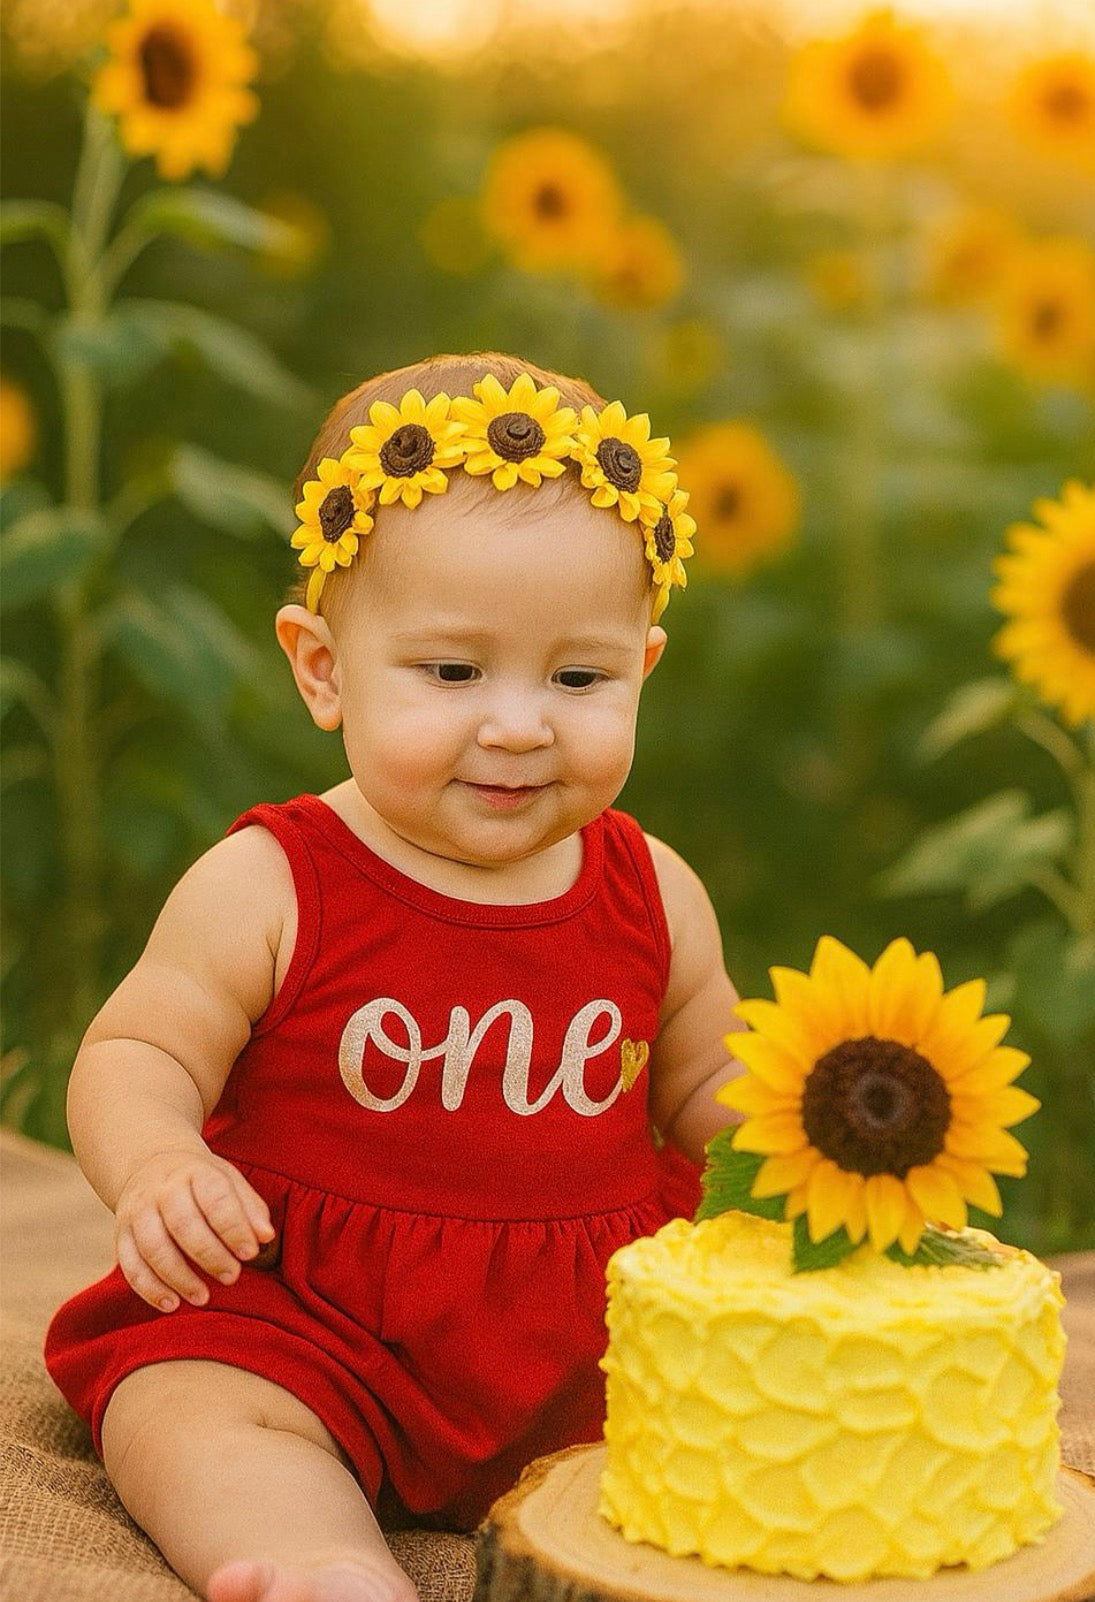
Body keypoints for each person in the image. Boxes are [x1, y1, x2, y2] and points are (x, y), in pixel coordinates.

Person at [44, 352, 744, 1602]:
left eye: (578, 678)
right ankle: (319, 1565)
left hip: (604, 1353)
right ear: (323, 668)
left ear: (644, 664)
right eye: (453, 673)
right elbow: (136, 1051)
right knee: (188, 1406)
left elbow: (715, 1100)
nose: (520, 724)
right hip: (309, 1323)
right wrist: (158, 1164)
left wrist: (828, 1175)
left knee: (765, 1409)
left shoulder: (653, 890)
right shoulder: (274, 881)